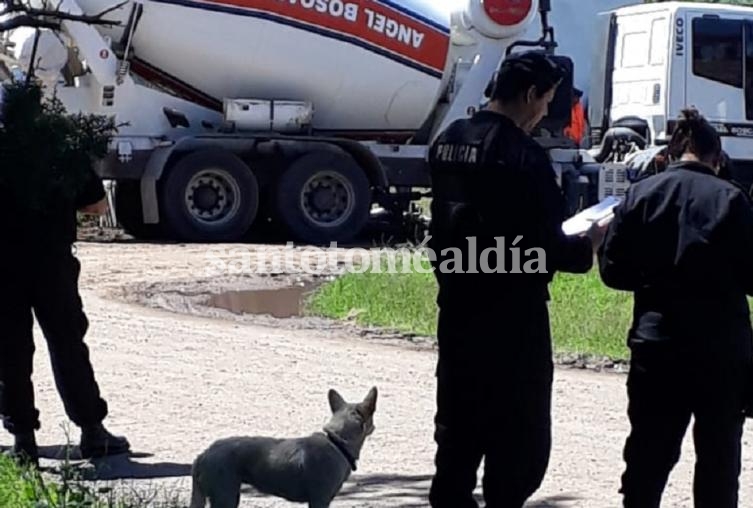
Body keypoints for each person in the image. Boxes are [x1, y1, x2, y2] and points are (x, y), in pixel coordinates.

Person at [426, 51, 608, 508]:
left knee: (457, 440)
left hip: (458, 313)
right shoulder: (524, 156)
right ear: (530, 95)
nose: (545, 112)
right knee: (519, 448)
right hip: (513, 322)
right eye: (546, 101)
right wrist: (592, 241)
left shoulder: (448, 140)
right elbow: (550, 246)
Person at [598, 108, 753, 508]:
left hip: (657, 344)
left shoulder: (642, 194)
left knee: (648, 457)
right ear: (716, 159)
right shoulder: (733, 200)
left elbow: (614, 272)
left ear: (671, 153)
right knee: (719, 463)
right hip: (720, 352)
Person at [0, 88, 130, 467]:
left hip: (2, 267)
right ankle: (92, 432)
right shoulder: (60, 150)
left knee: (10, 352)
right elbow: (96, 204)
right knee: (68, 344)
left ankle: (24, 441)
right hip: (51, 263)